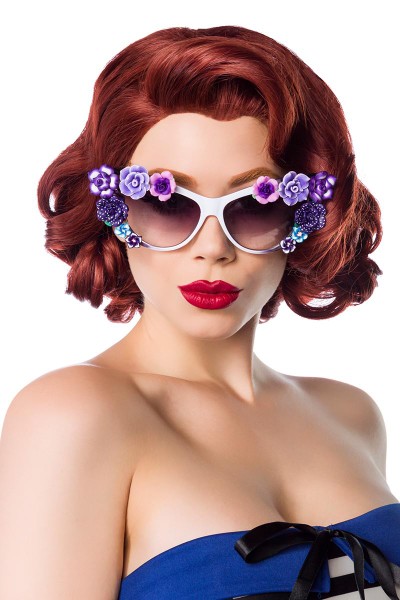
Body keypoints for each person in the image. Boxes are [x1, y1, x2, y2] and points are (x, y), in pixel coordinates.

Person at [0, 25, 399, 600]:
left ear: (305, 216)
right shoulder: (73, 415)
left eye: (255, 204)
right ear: (116, 211)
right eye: (167, 202)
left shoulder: (351, 415)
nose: (212, 248)